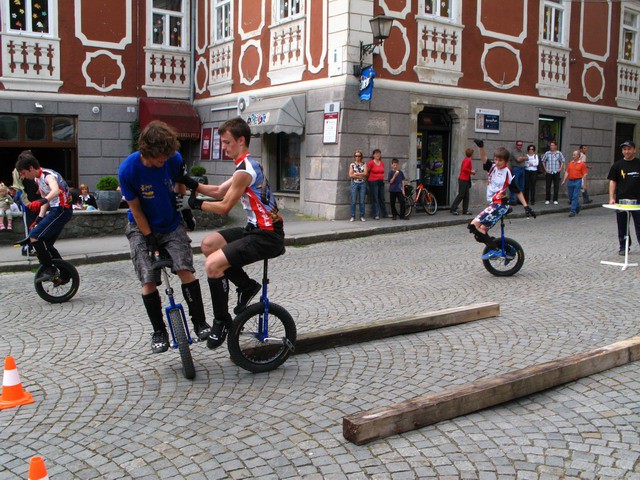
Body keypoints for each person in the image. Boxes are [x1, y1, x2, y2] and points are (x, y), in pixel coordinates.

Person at [179, 117, 284, 349]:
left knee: (213, 266)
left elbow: (224, 206)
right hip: (253, 228)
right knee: (208, 245)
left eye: (227, 143)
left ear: (241, 140)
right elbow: (217, 190)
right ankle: (246, 285)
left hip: (267, 235)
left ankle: (222, 320)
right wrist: (186, 181)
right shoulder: (244, 166)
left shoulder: (245, 171)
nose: (223, 148)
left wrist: (195, 205)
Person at [117, 120, 211, 353]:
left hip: (170, 223)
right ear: (146, 151)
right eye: (160, 159)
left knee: (184, 269)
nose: (164, 162)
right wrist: (148, 237)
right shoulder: (128, 170)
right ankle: (159, 331)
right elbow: (136, 210)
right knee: (148, 278)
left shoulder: (173, 159)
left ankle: (199, 322)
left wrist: (186, 210)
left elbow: (180, 183)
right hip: (141, 226)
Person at [468, 140, 535, 259]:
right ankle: (507, 250)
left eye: (500, 160)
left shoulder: (507, 172)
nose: (497, 162)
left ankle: (496, 250)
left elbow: (516, 190)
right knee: (480, 234)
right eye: (496, 160)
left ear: (506, 161)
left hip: (499, 205)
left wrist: (526, 206)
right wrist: (481, 147)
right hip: (493, 204)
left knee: (473, 226)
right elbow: (484, 159)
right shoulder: (492, 168)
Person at [15, 150, 73, 280]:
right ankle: (65, 272)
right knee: (46, 243)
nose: (23, 176)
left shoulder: (48, 175)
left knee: (35, 237)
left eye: (24, 173)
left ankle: (49, 269)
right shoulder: (37, 179)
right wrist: (39, 217)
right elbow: (45, 198)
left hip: (62, 209)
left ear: (31, 168)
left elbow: (55, 191)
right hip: (55, 210)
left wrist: (43, 200)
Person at [607, 140, 640, 256]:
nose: (626, 151)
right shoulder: (617, 165)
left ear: (634, 150)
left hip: (637, 202)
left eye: (629, 149)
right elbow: (612, 181)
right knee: (622, 225)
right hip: (621, 201)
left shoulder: (638, 163)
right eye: (624, 149)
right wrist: (611, 197)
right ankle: (624, 246)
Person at [449, 147, 476, 215]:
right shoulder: (468, 160)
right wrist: (471, 171)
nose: (474, 155)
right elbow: (464, 168)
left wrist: (470, 172)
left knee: (466, 195)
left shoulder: (466, 159)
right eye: (473, 154)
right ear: (471, 154)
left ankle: (465, 210)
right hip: (463, 179)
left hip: (465, 179)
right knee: (461, 195)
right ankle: (453, 208)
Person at [561, 150, 587, 217]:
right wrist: (564, 180)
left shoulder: (582, 164)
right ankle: (578, 206)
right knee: (570, 196)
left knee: (575, 196)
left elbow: (584, 175)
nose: (573, 156)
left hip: (578, 181)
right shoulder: (570, 163)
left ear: (578, 156)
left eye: (575, 154)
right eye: (573, 154)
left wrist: (584, 184)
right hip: (570, 181)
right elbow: (567, 172)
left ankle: (573, 211)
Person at [365, 149, 388, 220]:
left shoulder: (382, 163)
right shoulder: (371, 163)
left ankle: (385, 214)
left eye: (379, 154)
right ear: (373, 155)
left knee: (382, 198)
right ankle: (376, 214)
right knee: (375, 198)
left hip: (381, 181)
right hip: (373, 181)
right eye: (376, 154)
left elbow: (382, 172)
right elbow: (367, 172)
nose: (377, 155)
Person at [541, 140, 565, 205]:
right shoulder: (547, 153)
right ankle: (547, 199)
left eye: (553, 145)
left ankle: (555, 199)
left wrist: (560, 168)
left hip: (556, 171)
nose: (551, 146)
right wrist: (545, 169)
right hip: (549, 171)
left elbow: (562, 161)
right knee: (548, 186)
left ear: (555, 146)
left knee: (556, 186)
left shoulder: (559, 153)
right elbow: (543, 160)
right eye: (551, 145)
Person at [349, 150, 367, 222]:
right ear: (354, 157)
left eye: (359, 156)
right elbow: (350, 175)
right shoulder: (352, 164)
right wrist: (360, 175)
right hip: (354, 183)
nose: (357, 157)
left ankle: (362, 216)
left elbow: (365, 173)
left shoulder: (364, 164)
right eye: (356, 156)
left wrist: (356, 174)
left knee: (362, 201)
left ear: (361, 157)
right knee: (353, 200)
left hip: (362, 184)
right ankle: (352, 216)